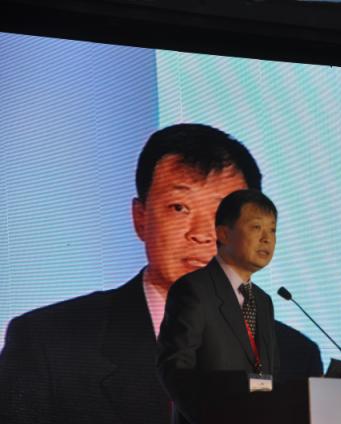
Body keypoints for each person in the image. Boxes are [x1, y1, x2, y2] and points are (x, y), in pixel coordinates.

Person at [0, 124, 261, 424]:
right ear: (140, 219)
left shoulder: (294, 354)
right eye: (179, 208)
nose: (202, 234)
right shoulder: (48, 344)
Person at [157, 189, 280, 424]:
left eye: (273, 230)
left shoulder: (263, 301)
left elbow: (269, 374)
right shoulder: (194, 289)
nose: (267, 238)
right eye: (256, 227)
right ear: (223, 233)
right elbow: (175, 369)